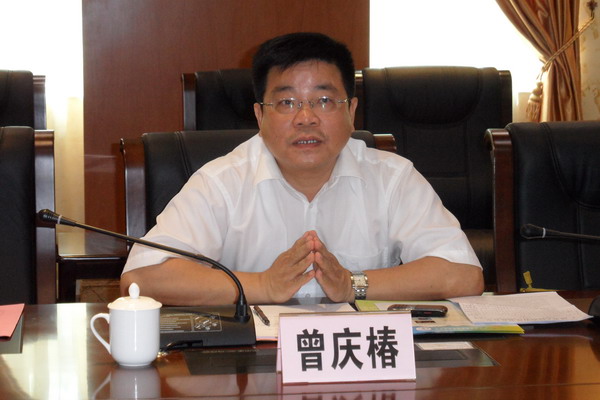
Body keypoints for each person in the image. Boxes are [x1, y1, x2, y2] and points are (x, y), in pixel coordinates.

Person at [121, 32, 484, 305]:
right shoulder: (221, 182)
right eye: (286, 102)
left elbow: (463, 274)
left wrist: (352, 284)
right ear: (260, 116)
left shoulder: (393, 178)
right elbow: (142, 277)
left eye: (324, 100)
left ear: (351, 111)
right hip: (254, 363)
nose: (306, 118)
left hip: (361, 362)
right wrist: (262, 285)